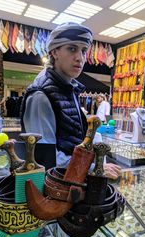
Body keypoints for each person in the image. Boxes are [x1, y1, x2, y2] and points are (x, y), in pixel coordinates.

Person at [21, 22, 121, 179]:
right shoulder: (40, 95)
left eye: (83, 51)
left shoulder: (69, 88)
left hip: (75, 182)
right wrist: (93, 168)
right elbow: (45, 158)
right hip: (57, 190)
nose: (80, 58)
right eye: (72, 49)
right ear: (54, 52)